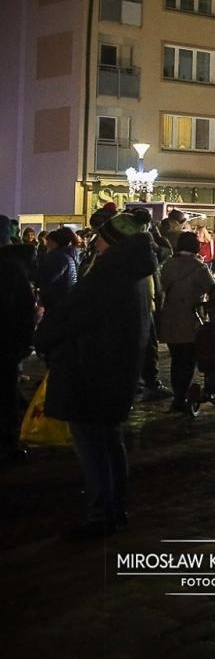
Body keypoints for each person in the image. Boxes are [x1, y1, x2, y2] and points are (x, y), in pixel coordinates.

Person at [34, 208, 159, 538]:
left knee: (91, 446)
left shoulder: (107, 277)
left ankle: (101, 512)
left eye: (101, 237)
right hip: (116, 372)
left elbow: (71, 319)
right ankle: (115, 507)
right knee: (109, 441)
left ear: (114, 242)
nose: (95, 243)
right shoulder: (134, 275)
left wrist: (45, 338)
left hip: (90, 372)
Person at [156, 232, 215, 413]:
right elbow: (212, 289)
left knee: (177, 359)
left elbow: (160, 290)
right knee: (188, 360)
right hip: (191, 318)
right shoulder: (198, 267)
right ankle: (182, 395)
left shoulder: (168, 265)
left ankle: (178, 396)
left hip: (171, 318)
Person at [0, 243, 39, 462]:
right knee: (6, 391)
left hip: (6, 340)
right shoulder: (16, 272)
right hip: (8, 342)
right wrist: (26, 341)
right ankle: (9, 442)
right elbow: (22, 311)